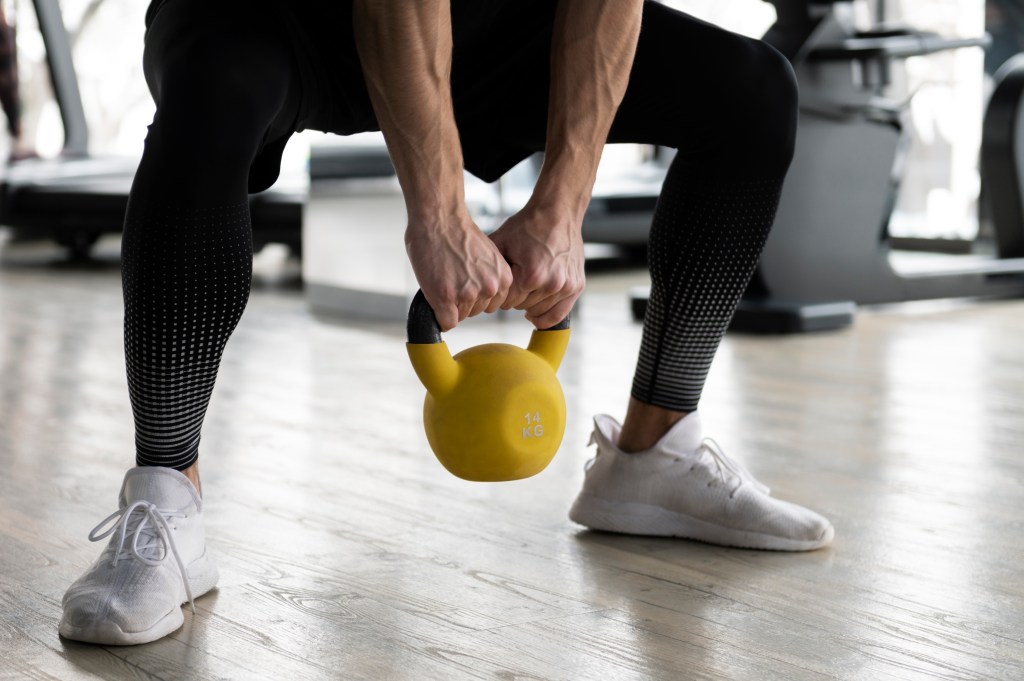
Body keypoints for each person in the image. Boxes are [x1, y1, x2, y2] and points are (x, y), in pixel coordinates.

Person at [58, 0, 834, 646]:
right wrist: (437, 213)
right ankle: (167, 497)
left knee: (751, 93)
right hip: (279, 12)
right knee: (212, 87)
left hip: (497, 24)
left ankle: (655, 452)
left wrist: (563, 209)